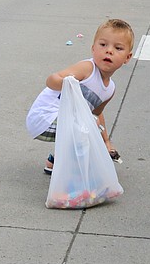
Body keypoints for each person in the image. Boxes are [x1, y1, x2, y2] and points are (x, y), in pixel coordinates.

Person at [26, 19, 133, 173]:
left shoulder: (110, 89)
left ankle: (55, 162)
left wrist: (106, 142)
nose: (109, 51)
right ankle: (74, 171)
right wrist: (68, 85)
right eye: (103, 45)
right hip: (44, 118)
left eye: (118, 48)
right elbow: (51, 80)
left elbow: (96, 114)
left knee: (90, 125)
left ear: (127, 58)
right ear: (93, 49)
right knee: (87, 128)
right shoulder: (87, 69)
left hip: (65, 124)